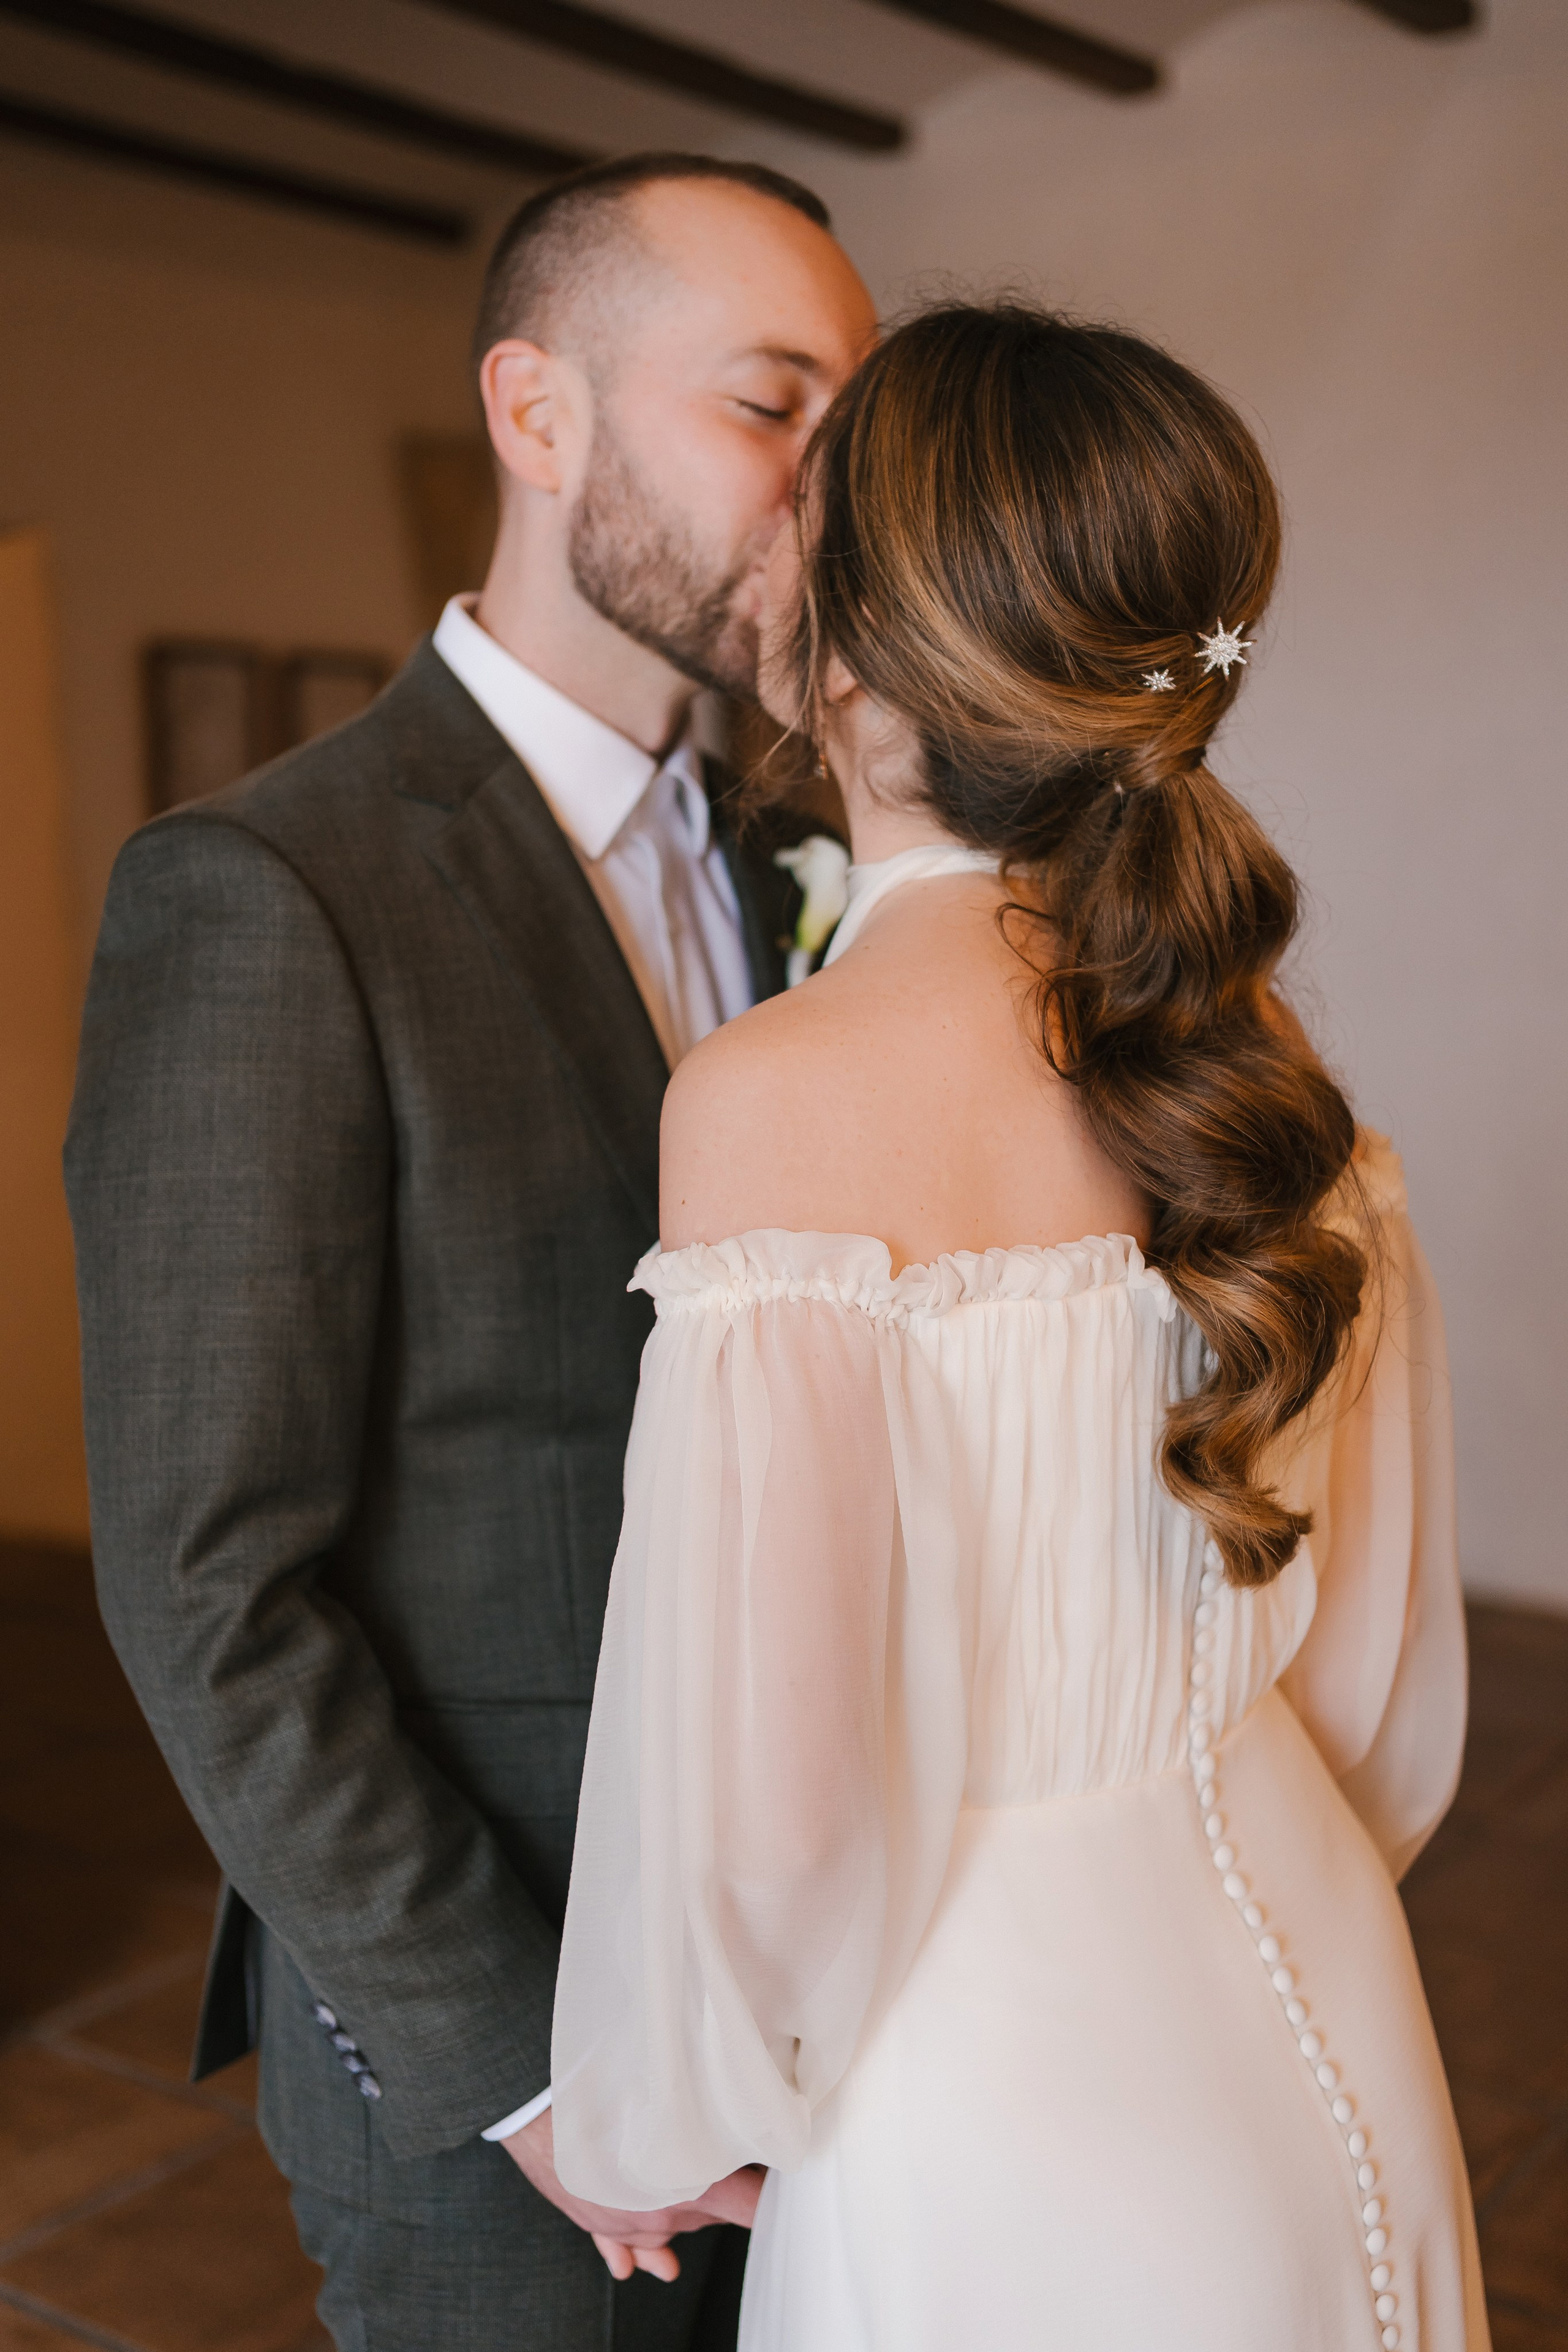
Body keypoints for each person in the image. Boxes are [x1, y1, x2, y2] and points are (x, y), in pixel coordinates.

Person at [549, 304, 1491, 2349]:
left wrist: (663, 2105)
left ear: (844, 645)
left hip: (990, 2088)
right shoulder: (1272, 1093)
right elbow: (1373, 1697)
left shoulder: (775, 1099)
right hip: (1324, 1976)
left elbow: (782, 1812)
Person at [64, 154, 875, 2351]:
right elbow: (210, 1582)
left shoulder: (811, 867)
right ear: (539, 413)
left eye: (854, 422)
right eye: (770, 406)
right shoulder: (269, 892)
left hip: (830, 1978)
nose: (834, 490)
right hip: (507, 2048)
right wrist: (528, 2067)